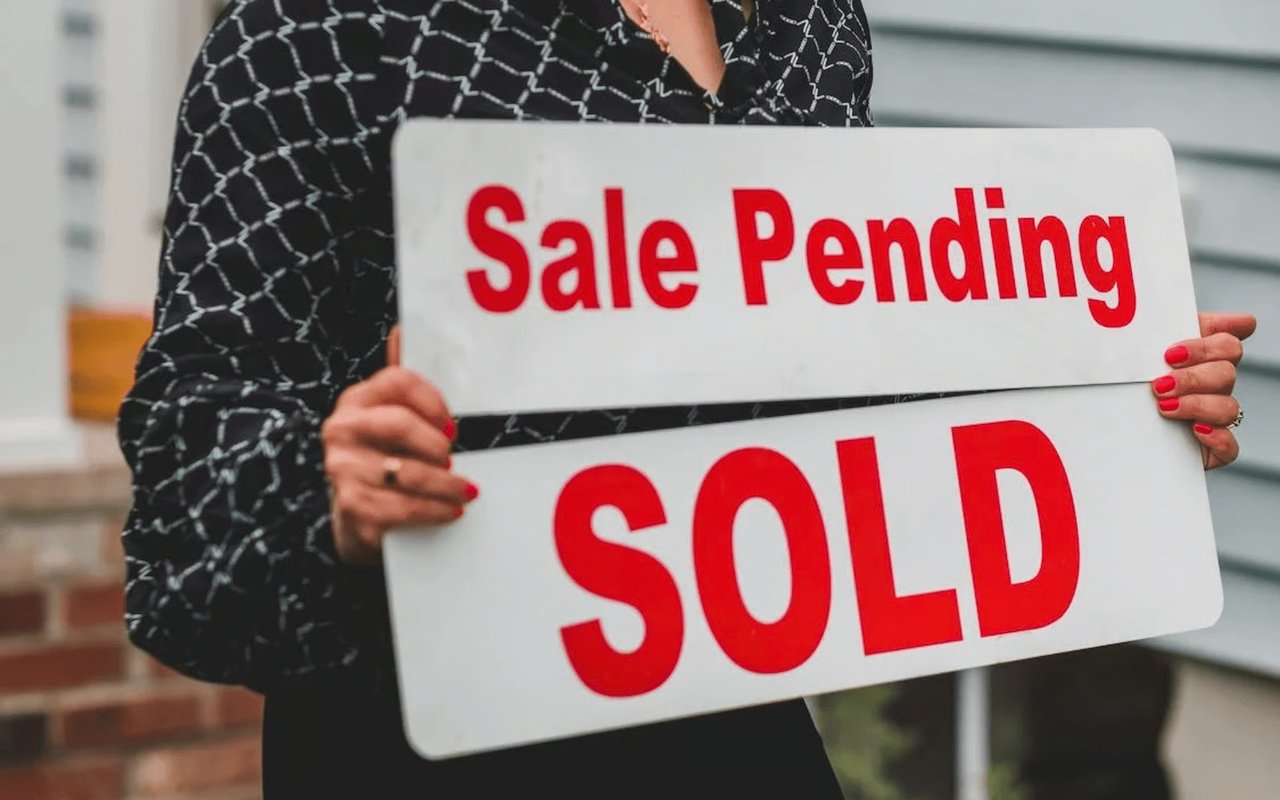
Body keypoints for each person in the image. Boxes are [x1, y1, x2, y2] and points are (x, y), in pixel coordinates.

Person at [117, 1, 1255, 797]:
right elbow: (188, 450)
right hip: (432, 728)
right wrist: (330, 481)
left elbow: (832, 327)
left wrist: (1111, 390)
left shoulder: (807, 23)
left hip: (724, 704)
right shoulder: (319, 27)